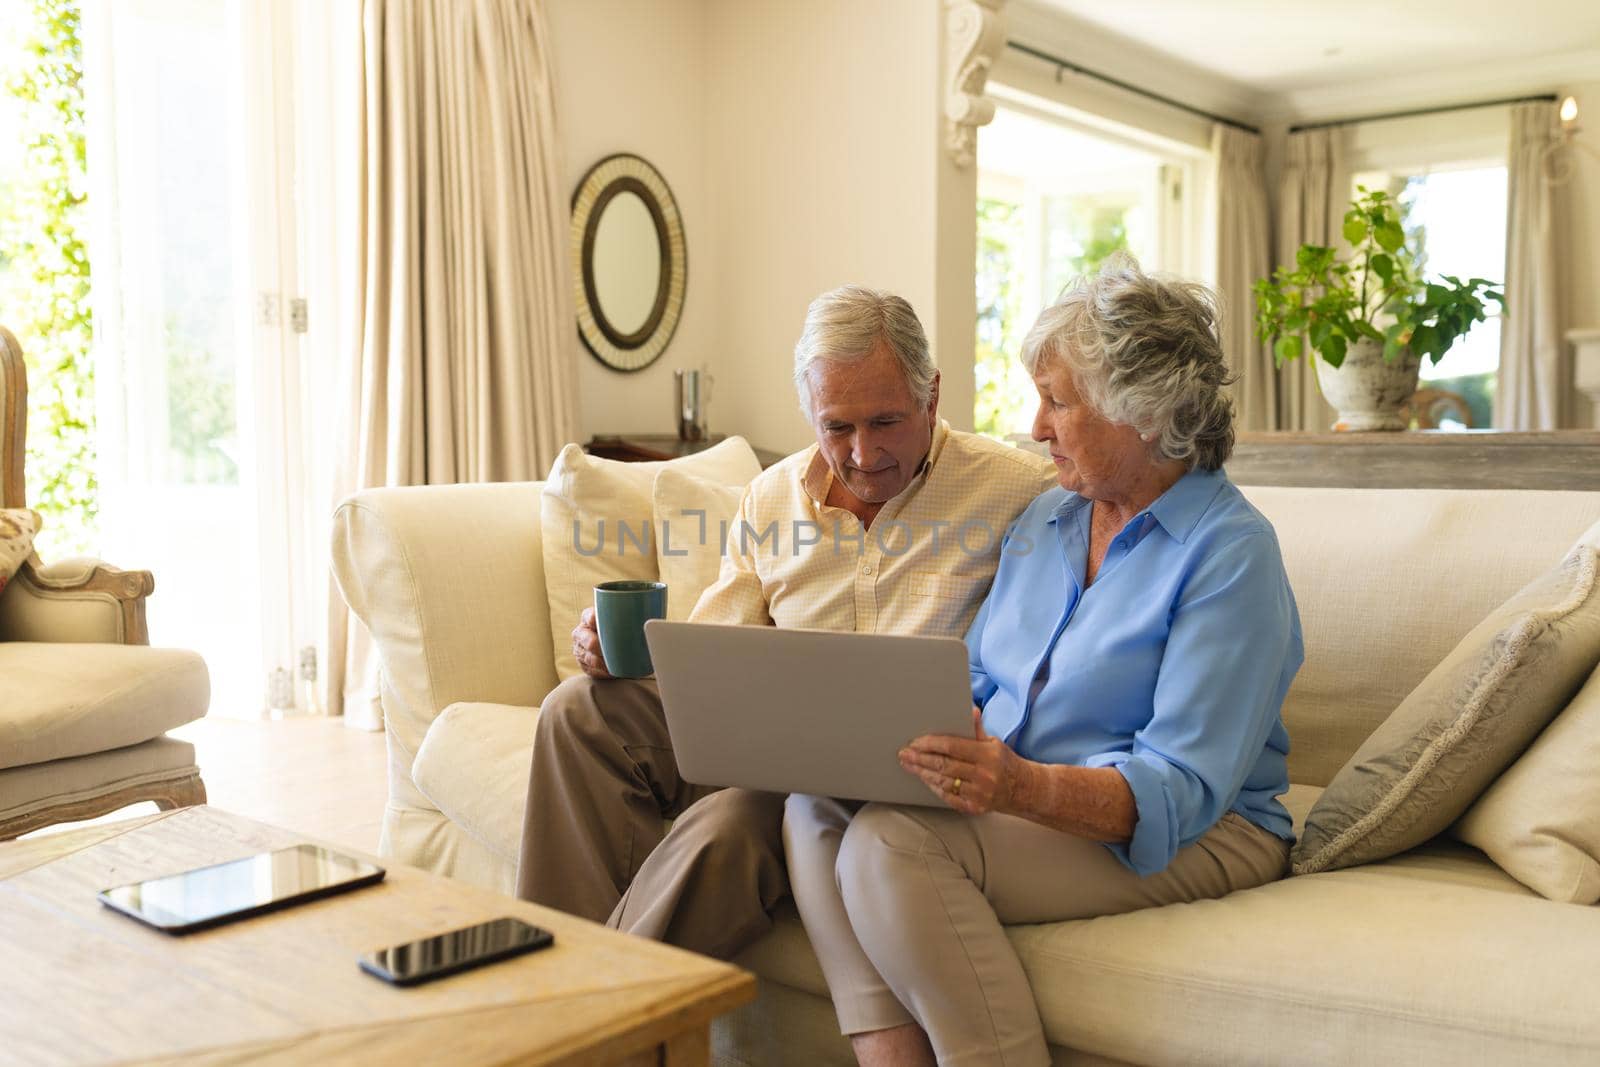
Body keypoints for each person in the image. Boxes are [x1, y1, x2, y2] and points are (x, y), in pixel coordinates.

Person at [784, 258, 1304, 1067]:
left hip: (1198, 827)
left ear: (1145, 412)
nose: (1034, 427)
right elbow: (984, 680)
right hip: (1032, 795)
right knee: (815, 806)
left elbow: (1182, 788)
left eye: (1057, 401)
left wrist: (1020, 785)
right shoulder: (1048, 519)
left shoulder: (1231, 554)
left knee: (891, 844)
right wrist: (894, 736)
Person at [515, 285, 1055, 960]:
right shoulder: (770, 497)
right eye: (837, 427)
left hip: (890, 778)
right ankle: (547, 971)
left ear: (931, 397)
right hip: (770, 740)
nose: (861, 454)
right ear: (809, 413)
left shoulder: (1017, 492)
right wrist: (623, 651)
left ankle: (588, 1013)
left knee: (728, 826)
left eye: (885, 422)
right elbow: (715, 648)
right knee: (577, 710)